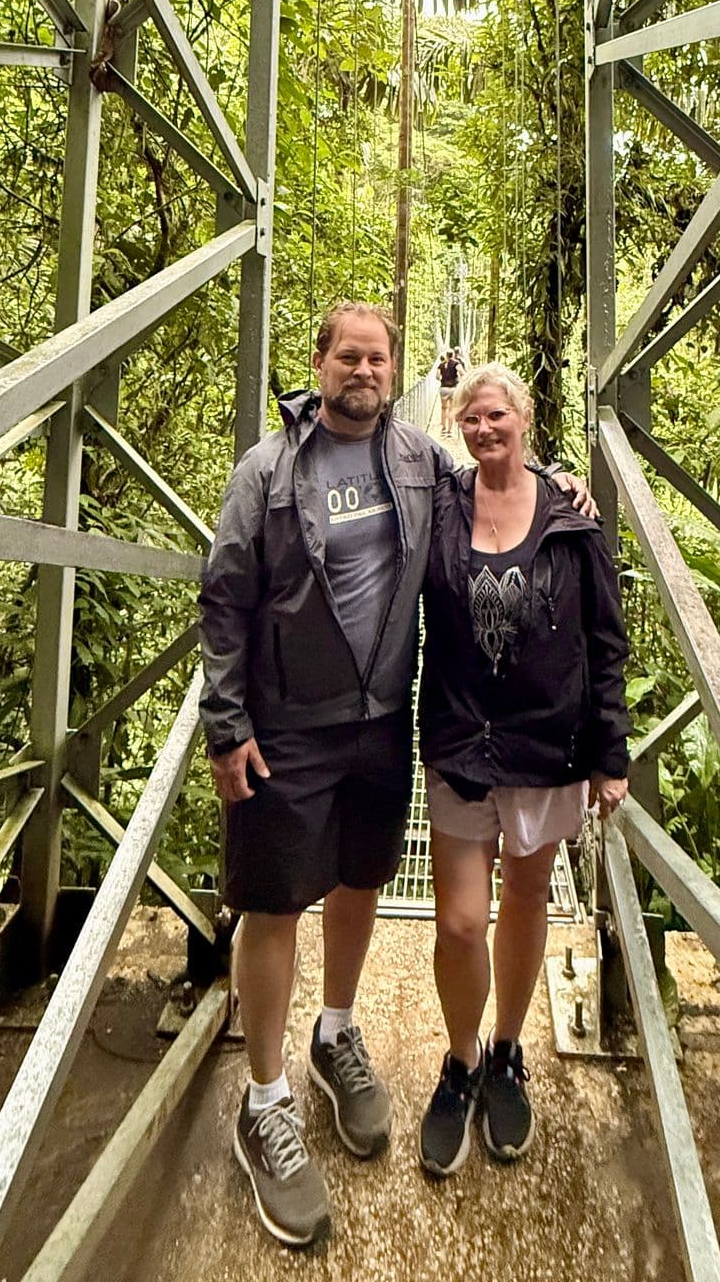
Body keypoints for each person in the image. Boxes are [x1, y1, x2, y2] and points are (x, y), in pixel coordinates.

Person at [198, 304, 592, 1247]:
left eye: (379, 358)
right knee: (272, 901)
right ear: (319, 362)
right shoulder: (269, 470)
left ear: (397, 371)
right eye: (349, 356)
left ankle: (336, 1033)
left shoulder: (420, 459)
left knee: (363, 880)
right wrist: (226, 724)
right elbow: (224, 595)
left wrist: (553, 482)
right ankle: (266, 1099)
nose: (365, 371)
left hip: (380, 721)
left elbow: (495, 488)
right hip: (285, 726)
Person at [416, 361, 630, 1177]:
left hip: (548, 744)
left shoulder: (571, 517)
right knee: (462, 922)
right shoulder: (441, 502)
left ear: (526, 417)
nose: (483, 429)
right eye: (471, 419)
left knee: (527, 898)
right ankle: (461, 1058)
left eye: (496, 416)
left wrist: (610, 753)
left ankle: (506, 1051)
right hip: (461, 742)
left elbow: (605, 642)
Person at [437, 347, 461, 433]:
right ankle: (449, 430)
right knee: (451, 409)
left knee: (443, 409)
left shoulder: (441, 364)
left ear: (446, 356)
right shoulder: (456, 363)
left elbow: (437, 376)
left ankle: (443, 428)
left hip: (443, 389)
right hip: (453, 389)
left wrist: (443, 378)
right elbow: (461, 372)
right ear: (453, 355)